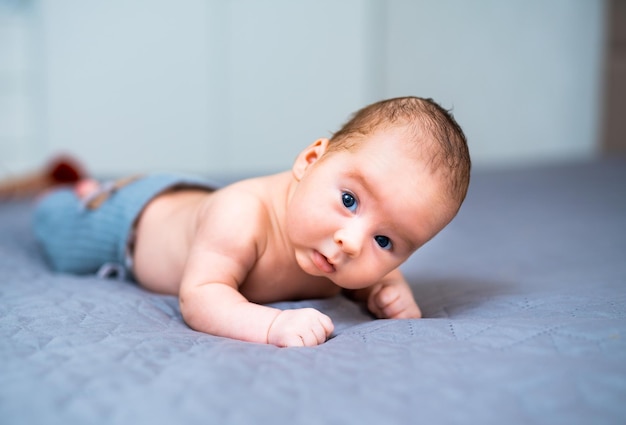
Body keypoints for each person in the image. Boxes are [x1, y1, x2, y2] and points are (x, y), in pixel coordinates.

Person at [31, 96, 471, 347]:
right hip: (129, 223)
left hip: (194, 204)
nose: (352, 242)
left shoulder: (338, 250)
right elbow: (200, 296)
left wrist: (389, 289)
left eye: (386, 241)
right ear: (311, 159)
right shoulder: (241, 217)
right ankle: (76, 189)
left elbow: (372, 276)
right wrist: (272, 325)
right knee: (58, 230)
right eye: (350, 199)